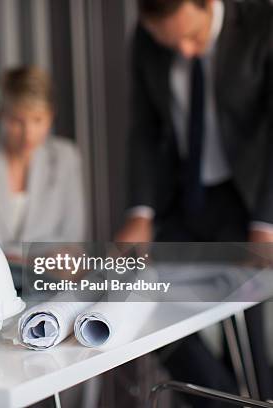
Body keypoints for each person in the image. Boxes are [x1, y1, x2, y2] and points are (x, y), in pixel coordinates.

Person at [116, 0, 272, 404]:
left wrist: (267, 222)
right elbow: (144, 129)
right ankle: (222, 402)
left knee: (249, 339)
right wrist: (140, 212)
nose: (183, 51)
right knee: (140, 306)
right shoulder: (148, 40)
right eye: (171, 42)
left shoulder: (261, 24)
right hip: (182, 199)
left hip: (248, 201)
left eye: (191, 36)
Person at [0, 66, 86, 257]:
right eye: (17, 121)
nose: (28, 133)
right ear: (0, 115)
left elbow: (71, 239)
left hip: (52, 279)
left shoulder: (66, 158)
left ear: (51, 115)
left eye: (37, 120)